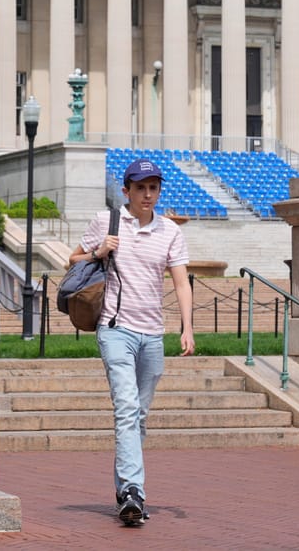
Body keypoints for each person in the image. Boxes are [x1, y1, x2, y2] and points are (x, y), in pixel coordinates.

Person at [69, 158, 195, 526]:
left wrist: (187, 327)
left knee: (137, 417)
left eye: (153, 187)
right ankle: (133, 492)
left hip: (152, 334)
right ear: (126, 191)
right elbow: (72, 260)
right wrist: (98, 251)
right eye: (140, 187)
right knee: (125, 410)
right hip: (115, 329)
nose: (147, 194)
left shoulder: (170, 231)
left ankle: (125, 490)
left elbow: (181, 282)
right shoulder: (107, 222)